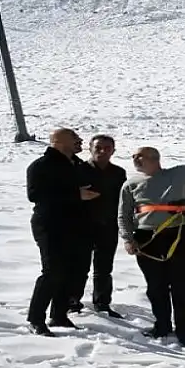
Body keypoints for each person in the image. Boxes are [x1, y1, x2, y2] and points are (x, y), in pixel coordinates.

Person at [118, 123, 185, 346]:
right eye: (134, 156)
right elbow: (123, 215)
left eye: (141, 156)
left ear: (155, 159)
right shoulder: (130, 184)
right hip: (146, 240)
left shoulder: (179, 174)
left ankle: (184, 331)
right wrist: (128, 239)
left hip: (178, 237)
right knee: (155, 287)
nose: (136, 159)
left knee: (181, 286)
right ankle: (162, 326)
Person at [25, 127, 99, 336]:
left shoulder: (77, 165)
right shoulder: (41, 166)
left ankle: (59, 314)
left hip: (77, 225)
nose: (79, 140)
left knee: (71, 272)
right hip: (51, 225)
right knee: (52, 272)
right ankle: (35, 319)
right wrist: (76, 194)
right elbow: (35, 195)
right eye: (74, 138)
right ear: (59, 142)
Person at [68, 134, 128, 317]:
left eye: (107, 148)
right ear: (90, 148)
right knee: (79, 267)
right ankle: (72, 301)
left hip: (108, 226)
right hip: (82, 226)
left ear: (113, 151)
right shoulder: (78, 169)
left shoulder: (118, 173)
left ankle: (102, 303)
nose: (102, 151)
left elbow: (123, 200)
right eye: (98, 148)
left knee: (104, 268)